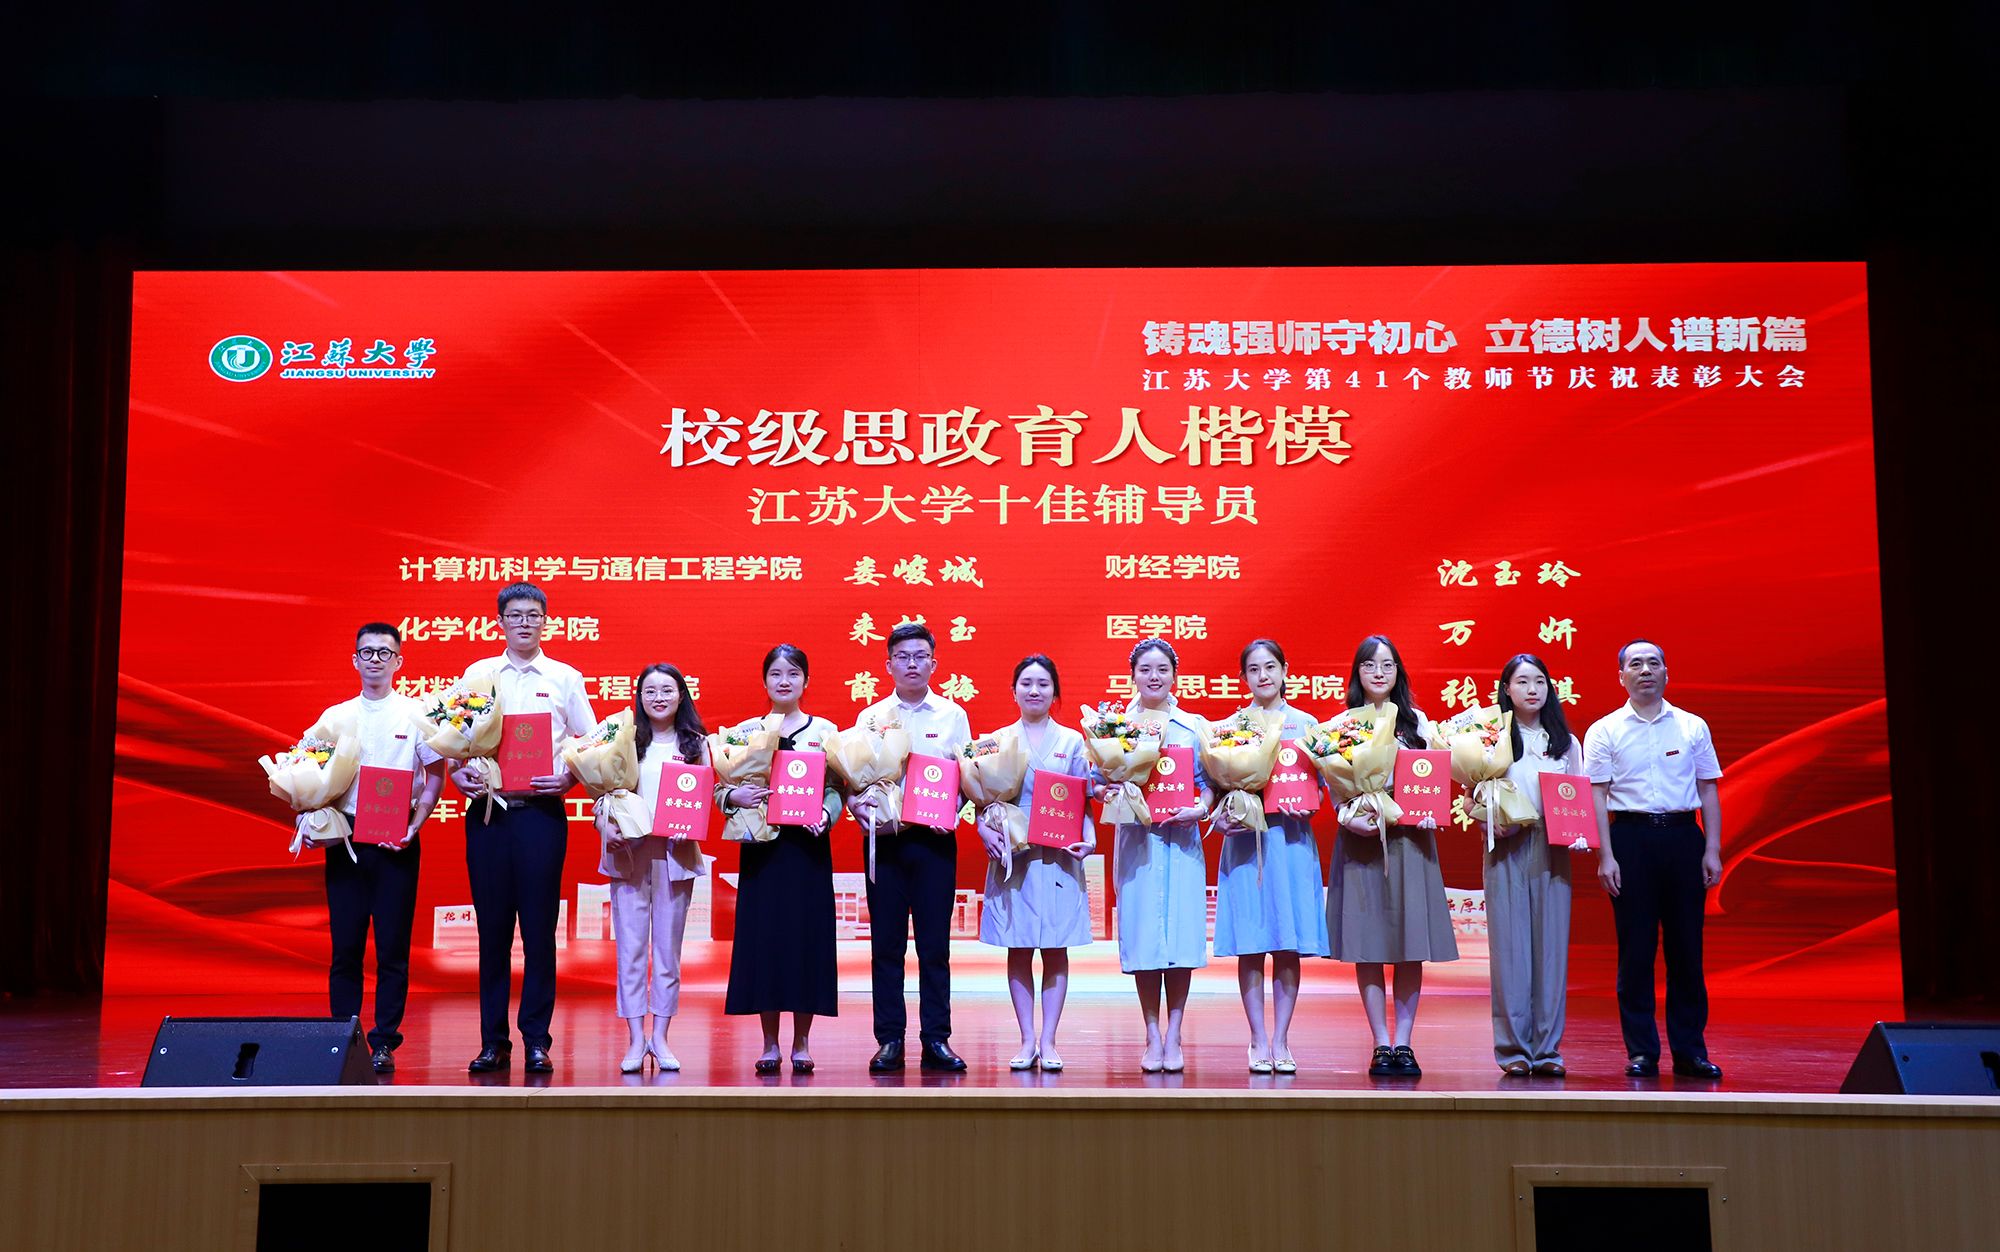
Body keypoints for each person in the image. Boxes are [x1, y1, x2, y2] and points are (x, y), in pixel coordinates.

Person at [452, 582, 597, 1075]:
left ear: (545, 621)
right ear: (500, 622)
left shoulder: (564, 677)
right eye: (515, 615)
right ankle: (493, 1042)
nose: (524, 623)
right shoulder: (478, 674)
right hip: (489, 814)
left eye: (533, 615)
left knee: (539, 931)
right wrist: (458, 773)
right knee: (492, 931)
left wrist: (569, 778)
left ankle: (536, 1039)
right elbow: (453, 739)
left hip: (541, 815)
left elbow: (592, 742)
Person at [307, 622, 446, 1074]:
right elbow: (308, 771)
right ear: (354, 660)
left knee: (392, 949)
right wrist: (309, 815)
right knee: (345, 947)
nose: (375, 660)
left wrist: (416, 824)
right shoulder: (335, 716)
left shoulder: (416, 713)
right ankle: (342, 1038)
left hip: (396, 838)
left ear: (399, 662)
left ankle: (384, 1040)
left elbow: (436, 775)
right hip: (346, 840)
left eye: (384, 653)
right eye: (366, 652)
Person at [1585, 639, 1726, 1080]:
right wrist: (1606, 855)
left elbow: (1708, 788)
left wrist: (1712, 848)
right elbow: (1597, 795)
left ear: (1666, 672)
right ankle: (1642, 1051)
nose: (1645, 670)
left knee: (1687, 950)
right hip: (1630, 840)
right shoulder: (1605, 730)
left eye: (1653, 663)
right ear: (1621, 676)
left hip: (1684, 838)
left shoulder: (1691, 726)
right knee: (1636, 951)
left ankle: (1690, 1051)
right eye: (1635, 664)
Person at [1326, 633, 1457, 1079]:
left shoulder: (1418, 723)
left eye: (1387, 665)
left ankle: (1405, 1042)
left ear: (1398, 672)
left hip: (1410, 844)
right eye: (1369, 665)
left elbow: (1433, 779)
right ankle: (1380, 1042)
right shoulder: (1342, 724)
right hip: (1362, 842)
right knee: (1367, 945)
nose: (1378, 673)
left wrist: (1430, 809)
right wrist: (1348, 817)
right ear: (1357, 673)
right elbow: (1335, 787)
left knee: (1408, 945)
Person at [850, 623, 972, 1074]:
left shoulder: (952, 715)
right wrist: (857, 806)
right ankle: (889, 1039)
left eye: (920, 656)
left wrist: (952, 810)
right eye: (903, 657)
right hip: (885, 842)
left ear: (934, 664)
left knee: (935, 946)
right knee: (886, 946)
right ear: (888, 665)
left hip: (934, 842)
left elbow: (969, 776)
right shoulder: (871, 717)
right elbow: (854, 777)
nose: (912, 664)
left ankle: (937, 1038)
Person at [721, 644, 842, 1074]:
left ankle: (802, 1043)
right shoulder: (745, 732)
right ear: (765, 681)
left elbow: (838, 786)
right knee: (765, 942)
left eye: (793, 673)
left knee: (806, 941)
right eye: (776, 673)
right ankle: (769, 1043)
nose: (784, 681)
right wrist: (733, 796)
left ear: (806, 681)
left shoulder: (825, 732)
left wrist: (826, 812)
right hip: (763, 850)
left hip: (807, 849)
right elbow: (720, 788)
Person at [1210, 638, 1329, 1074]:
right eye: (1254, 669)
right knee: (1252, 942)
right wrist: (1226, 813)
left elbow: (1322, 787)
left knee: (1287, 943)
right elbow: (1216, 790)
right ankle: (1257, 1038)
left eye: (1270, 667)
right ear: (1243, 677)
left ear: (1284, 671)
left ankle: (1281, 1039)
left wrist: (1310, 802)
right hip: (1247, 845)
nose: (1263, 676)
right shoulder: (1230, 728)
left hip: (1292, 843)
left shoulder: (1307, 724)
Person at [976, 654, 1094, 1072]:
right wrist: (984, 829)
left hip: (1060, 856)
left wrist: (1089, 839)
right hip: (1016, 857)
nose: (1034, 690)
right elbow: (982, 799)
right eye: (1026, 683)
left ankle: (1050, 1041)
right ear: (1013, 691)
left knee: (1057, 948)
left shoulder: (1073, 741)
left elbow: (1083, 801)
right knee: (1020, 946)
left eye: (1043, 683)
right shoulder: (996, 741)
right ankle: (1027, 1039)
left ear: (1054, 691)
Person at [1100, 637, 1213, 1073]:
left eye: (1162, 669)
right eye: (1145, 669)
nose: (1154, 677)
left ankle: (1175, 1034)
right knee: (1145, 940)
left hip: (1182, 844)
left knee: (1180, 941)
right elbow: (1096, 780)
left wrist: (1200, 809)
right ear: (1133, 675)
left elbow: (1209, 784)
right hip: (1138, 843)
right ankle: (1151, 1034)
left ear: (1174, 676)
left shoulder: (1193, 727)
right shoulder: (1115, 727)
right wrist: (1109, 789)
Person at [596, 664, 708, 1074]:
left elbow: (704, 797)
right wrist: (605, 825)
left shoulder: (697, 744)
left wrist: (689, 826)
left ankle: (660, 1036)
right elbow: (603, 795)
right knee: (630, 950)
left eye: (667, 690)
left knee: (667, 951)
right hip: (629, 854)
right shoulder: (623, 741)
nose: (658, 698)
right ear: (639, 697)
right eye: (650, 691)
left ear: (681, 695)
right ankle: (634, 1038)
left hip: (675, 857)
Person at [1486, 653, 1583, 1077]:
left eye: (1540, 681)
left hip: (1552, 845)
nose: (1532, 689)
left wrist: (1580, 833)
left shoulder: (1565, 742)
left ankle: (1546, 1050)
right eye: (1522, 681)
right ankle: (1513, 1049)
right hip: (1507, 845)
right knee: (1510, 951)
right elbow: (1472, 799)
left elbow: (1576, 796)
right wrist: (1488, 819)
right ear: (1506, 689)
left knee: (1551, 950)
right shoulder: (1491, 739)